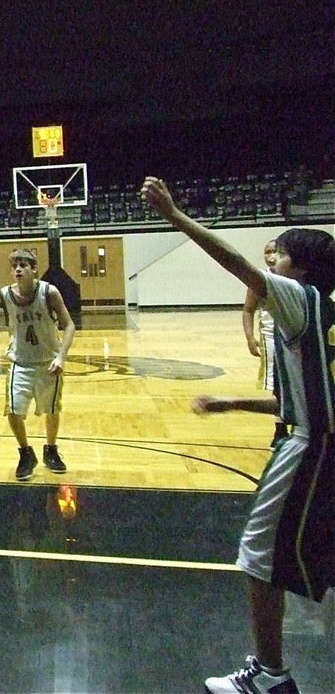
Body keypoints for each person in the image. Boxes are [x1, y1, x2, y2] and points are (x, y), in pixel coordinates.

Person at [141, 177, 334, 694]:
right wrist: (233, 402)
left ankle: (271, 677)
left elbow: (237, 265)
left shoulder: (300, 299)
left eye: (281, 258)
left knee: (257, 554)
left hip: (310, 450)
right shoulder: (326, 314)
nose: (272, 265)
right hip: (318, 441)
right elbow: (312, 397)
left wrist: (175, 216)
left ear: (303, 271)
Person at [0, 247, 76, 481]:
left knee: (51, 410)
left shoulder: (49, 292)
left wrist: (61, 356)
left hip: (47, 362)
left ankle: (51, 450)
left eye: (23, 265)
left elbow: (69, 325)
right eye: (15, 266)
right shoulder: (4, 295)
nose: (18, 269)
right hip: (20, 362)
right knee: (13, 411)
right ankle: (25, 453)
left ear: (34, 270)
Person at [241, 239, 288, 446]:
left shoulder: (294, 279)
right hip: (270, 337)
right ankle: (280, 429)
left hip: (294, 335)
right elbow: (248, 309)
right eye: (266, 252)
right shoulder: (260, 279)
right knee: (278, 386)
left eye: (274, 251)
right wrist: (250, 338)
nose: (270, 256)